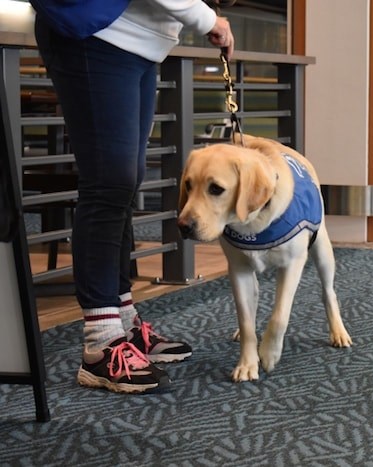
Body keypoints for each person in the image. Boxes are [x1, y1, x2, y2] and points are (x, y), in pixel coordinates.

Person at [31, 1, 235, 393]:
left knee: (123, 184)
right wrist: (208, 20)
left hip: (135, 42)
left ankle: (123, 323)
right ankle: (101, 343)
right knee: (108, 183)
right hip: (98, 35)